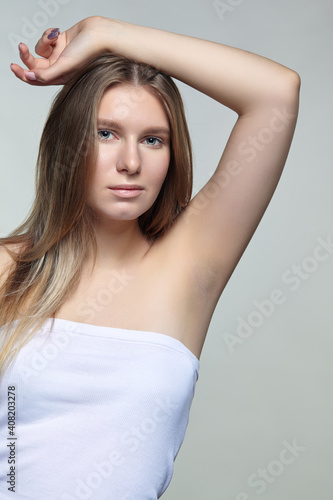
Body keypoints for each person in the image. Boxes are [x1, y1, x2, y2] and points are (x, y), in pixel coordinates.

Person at [0, 15, 300, 499]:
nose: (131, 162)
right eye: (106, 133)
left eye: (153, 139)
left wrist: (103, 33)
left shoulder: (187, 266)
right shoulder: (7, 270)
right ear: (67, 143)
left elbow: (276, 93)